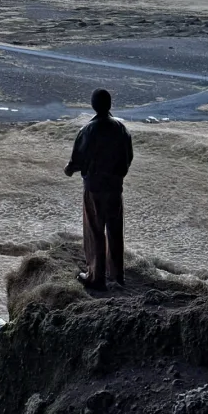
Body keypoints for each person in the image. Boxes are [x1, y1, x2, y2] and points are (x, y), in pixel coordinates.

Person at [64, 88, 133, 290]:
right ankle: (117, 275)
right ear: (109, 105)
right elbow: (128, 158)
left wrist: (69, 169)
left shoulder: (88, 130)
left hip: (93, 188)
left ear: (93, 105)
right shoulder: (121, 129)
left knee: (95, 230)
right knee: (114, 230)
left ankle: (96, 276)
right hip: (114, 188)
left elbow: (75, 162)